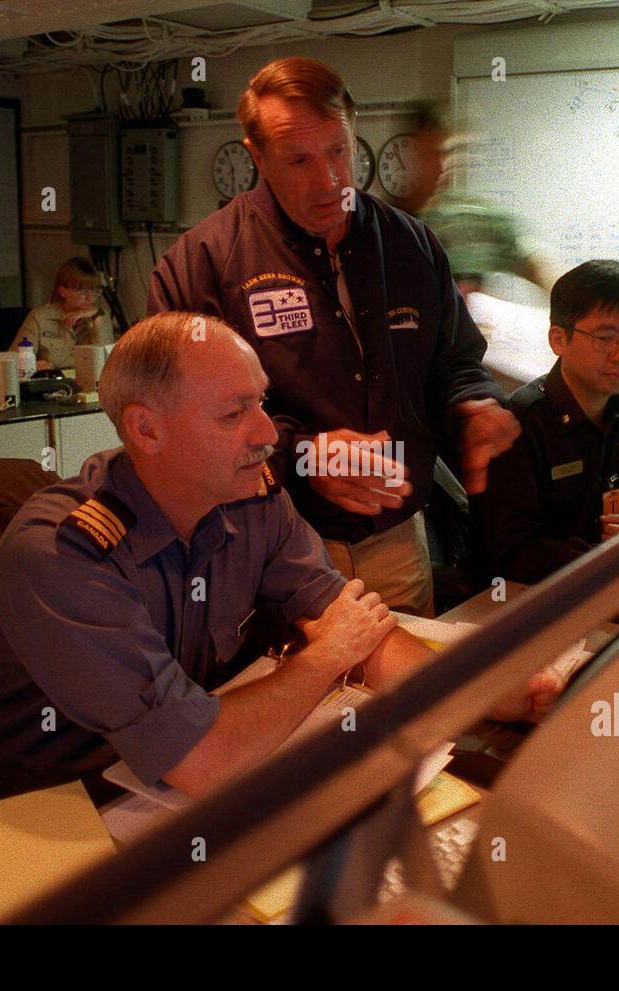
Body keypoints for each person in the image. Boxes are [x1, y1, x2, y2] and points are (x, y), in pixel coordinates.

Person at [0, 313, 565, 798]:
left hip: (163, 782)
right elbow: (202, 758)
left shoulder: (250, 495)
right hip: (44, 803)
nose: (268, 434)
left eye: (261, 402)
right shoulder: (64, 555)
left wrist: (480, 693)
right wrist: (326, 657)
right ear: (145, 430)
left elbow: (350, 623)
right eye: (234, 412)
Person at [146, 57, 520, 617]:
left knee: (406, 692)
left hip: (395, 538)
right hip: (266, 542)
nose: (329, 182)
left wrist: (474, 403)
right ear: (257, 155)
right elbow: (188, 419)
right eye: (298, 159)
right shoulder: (204, 262)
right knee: (297, 694)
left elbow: (454, 360)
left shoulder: (411, 245)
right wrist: (300, 457)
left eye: (338, 152)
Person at [481, 260, 619, 587]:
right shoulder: (521, 420)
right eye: (604, 337)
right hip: (531, 599)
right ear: (558, 339)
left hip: (617, 588)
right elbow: (514, 552)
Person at [394, 104, 554, 296]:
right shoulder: (385, 224)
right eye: (433, 153)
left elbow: (535, 261)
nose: (443, 165)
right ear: (414, 153)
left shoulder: (475, 216)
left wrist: (572, 306)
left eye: (450, 153)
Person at [10, 257, 114, 370]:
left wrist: (97, 315)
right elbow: (14, 360)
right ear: (63, 292)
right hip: (54, 382)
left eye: (95, 291)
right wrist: (35, 365)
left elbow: (108, 360)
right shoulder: (40, 317)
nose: (90, 298)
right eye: (82, 291)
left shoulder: (100, 316)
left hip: (90, 381)